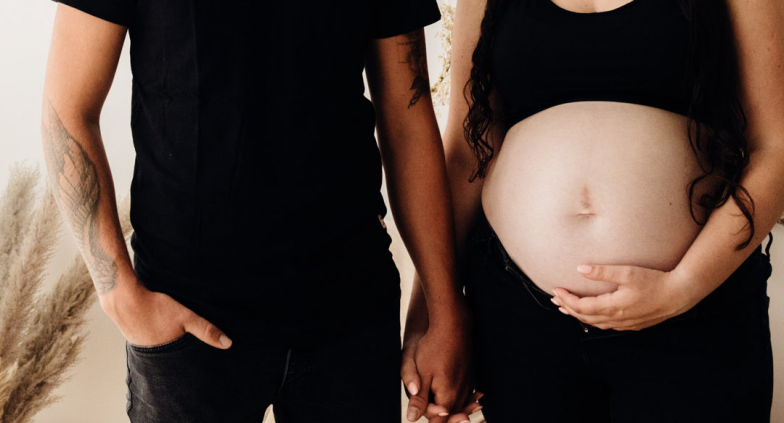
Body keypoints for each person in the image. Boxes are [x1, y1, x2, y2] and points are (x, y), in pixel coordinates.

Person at [39, 1, 475, 421]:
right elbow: (68, 110)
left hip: (350, 313)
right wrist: (118, 293)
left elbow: (408, 122)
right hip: (188, 321)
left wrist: (445, 308)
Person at [401, 0, 784, 421]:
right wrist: (433, 312)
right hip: (518, 316)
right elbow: (468, 152)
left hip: (695, 313)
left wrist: (683, 286)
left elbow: (781, 147)